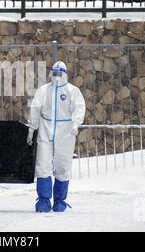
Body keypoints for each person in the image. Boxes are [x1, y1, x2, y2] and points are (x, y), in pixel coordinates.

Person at [27, 61, 86, 212]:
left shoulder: (72, 91)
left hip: (65, 134)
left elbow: (79, 108)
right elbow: (35, 108)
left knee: (63, 167)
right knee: (42, 166)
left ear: (65, 74)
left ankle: (60, 201)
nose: (56, 77)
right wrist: (32, 128)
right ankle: (44, 200)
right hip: (45, 133)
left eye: (60, 74)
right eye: (54, 73)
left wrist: (75, 124)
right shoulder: (44, 90)